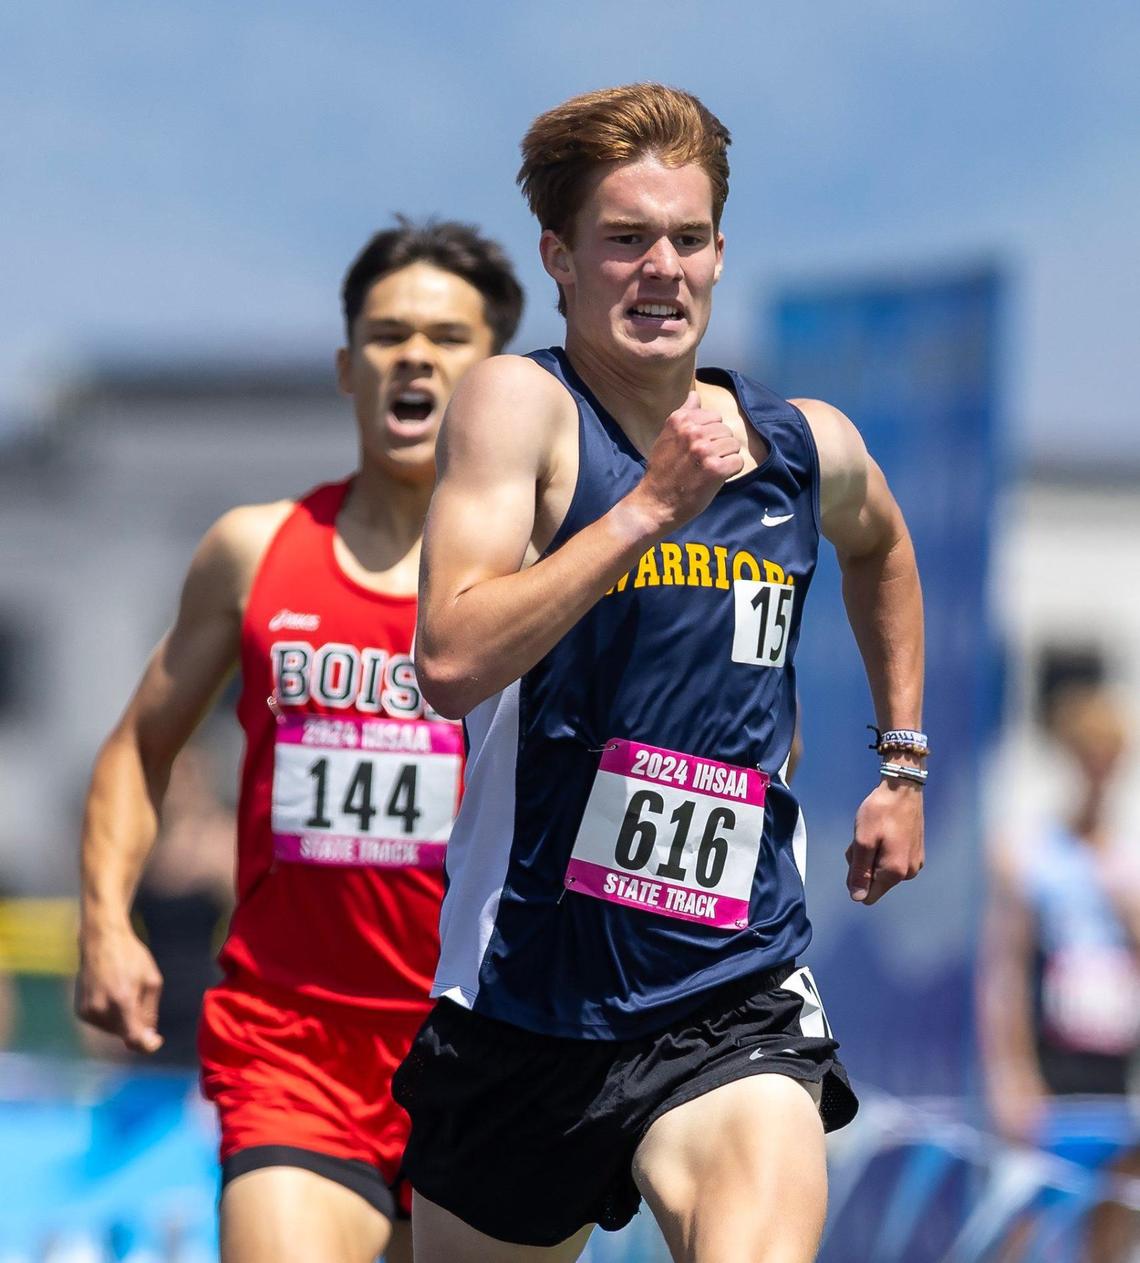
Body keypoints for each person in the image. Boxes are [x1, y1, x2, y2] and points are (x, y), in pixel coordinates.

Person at [397, 84, 926, 1263]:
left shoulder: (801, 447)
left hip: (729, 989)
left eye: (688, 238)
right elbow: (451, 660)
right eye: (626, 238)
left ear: (721, 254)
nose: (661, 270)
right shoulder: (523, 409)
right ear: (559, 258)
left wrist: (903, 764)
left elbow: (883, 549)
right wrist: (647, 509)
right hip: (525, 999)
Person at [75, 219, 523, 1263]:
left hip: (485, 1045)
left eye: (448, 338)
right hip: (293, 1051)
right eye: (387, 334)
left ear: (497, 378)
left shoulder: (546, 576)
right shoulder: (255, 551)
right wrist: (103, 919)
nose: (414, 357)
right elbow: (138, 748)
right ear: (346, 366)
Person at [981, 683, 1140, 1261]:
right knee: (1027, 1225)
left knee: (1111, 1230)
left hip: (1114, 1073)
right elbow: (1005, 971)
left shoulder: (1126, 864)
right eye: (1089, 758)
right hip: (1051, 1073)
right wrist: (1012, 1074)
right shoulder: (1032, 855)